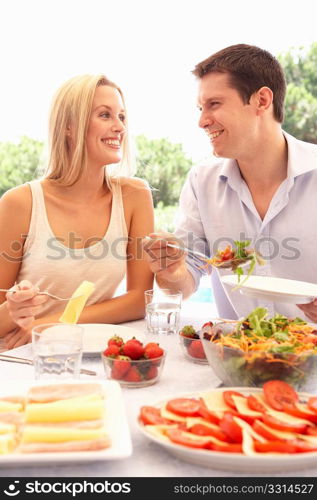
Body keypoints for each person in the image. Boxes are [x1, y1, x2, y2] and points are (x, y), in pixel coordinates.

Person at [143, 44, 317, 323]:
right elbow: (185, 282)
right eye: (200, 108)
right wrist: (172, 272)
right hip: (238, 358)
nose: (202, 121)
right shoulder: (202, 182)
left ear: (261, 100)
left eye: (214, 104)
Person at [0, 74, 154, 349]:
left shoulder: (134, 196)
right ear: (70, 126)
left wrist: (58, 323)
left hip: (95, 353)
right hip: (23, 356)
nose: (119, 127)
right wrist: (14, 310)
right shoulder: (20, 203)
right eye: (105, 115)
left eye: (122, 117)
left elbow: (141, 297)